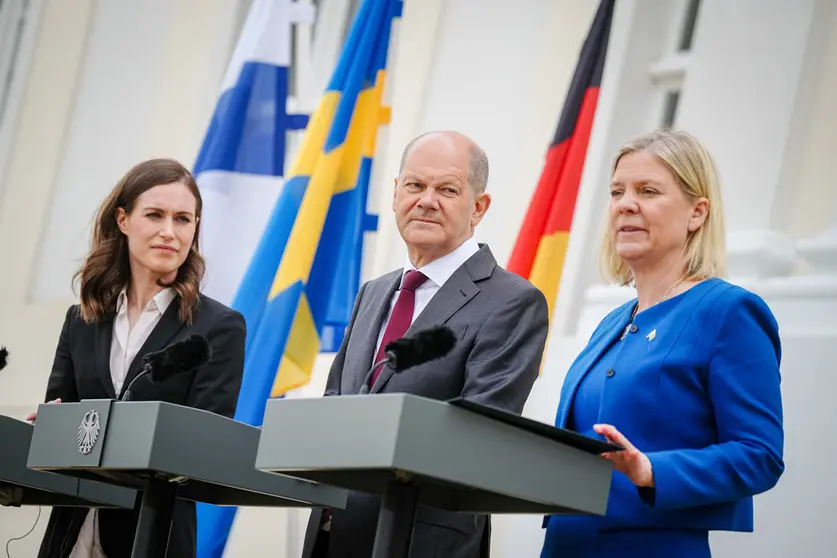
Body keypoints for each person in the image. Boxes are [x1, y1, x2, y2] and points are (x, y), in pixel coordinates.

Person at [301, 131, 550, 558]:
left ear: (479, 207)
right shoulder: (373, 292)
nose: (426, 200)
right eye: (415, 185)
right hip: (333, 532)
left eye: (447, 189)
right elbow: (335, 403)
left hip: (422, 540)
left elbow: (480, 431)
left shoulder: (512, 301)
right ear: (396, 192)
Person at [539, 129, 785, 558]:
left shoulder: (729, 312)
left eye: (648, 191)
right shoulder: (611, 324)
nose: (625, 204)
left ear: (697, 213)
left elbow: (759, 455)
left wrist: (652, 470)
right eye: (617, 192)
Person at [29, 158, 246, 558]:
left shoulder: (219, 326)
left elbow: (203, 447)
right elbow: (64, 418)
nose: (169, 231)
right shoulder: (81, 319)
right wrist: (47, 428)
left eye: (183, 219)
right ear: (123, 220)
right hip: (69, 534)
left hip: (153, 536)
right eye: (155, 215)